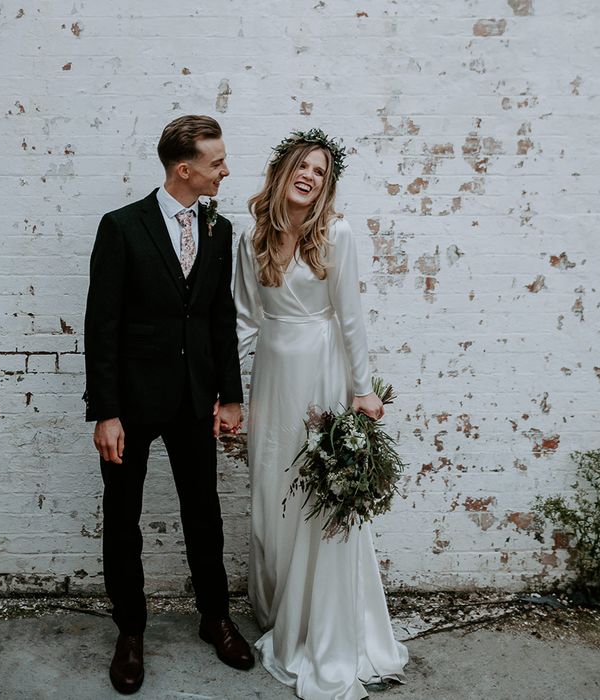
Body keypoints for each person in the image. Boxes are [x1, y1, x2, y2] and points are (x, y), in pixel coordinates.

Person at [234, 129, 408, 700]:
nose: (311, 175)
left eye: (322, 170)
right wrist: (230, 392)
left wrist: (362, 391)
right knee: (270, 496)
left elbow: (351, 316)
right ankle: (282, 614)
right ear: (283, 171)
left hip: (322, 373)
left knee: (315, 496)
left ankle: (324, 631)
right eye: (302, 166)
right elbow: (243, 319)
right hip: (270, 378)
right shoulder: (252, 232)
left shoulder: (337, 233)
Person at [83, 114, 254, 695]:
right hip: (130, 405)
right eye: (217, 162)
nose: (225, 170)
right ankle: (130, 632)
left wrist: (229, 394)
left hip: (193, 400)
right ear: (186, 169)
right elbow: (100, 326)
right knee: (123, 520)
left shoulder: (219, 228)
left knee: (203, 513)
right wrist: (105, 412)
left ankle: (215, 617)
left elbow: (219, 318)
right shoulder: (122, 228)